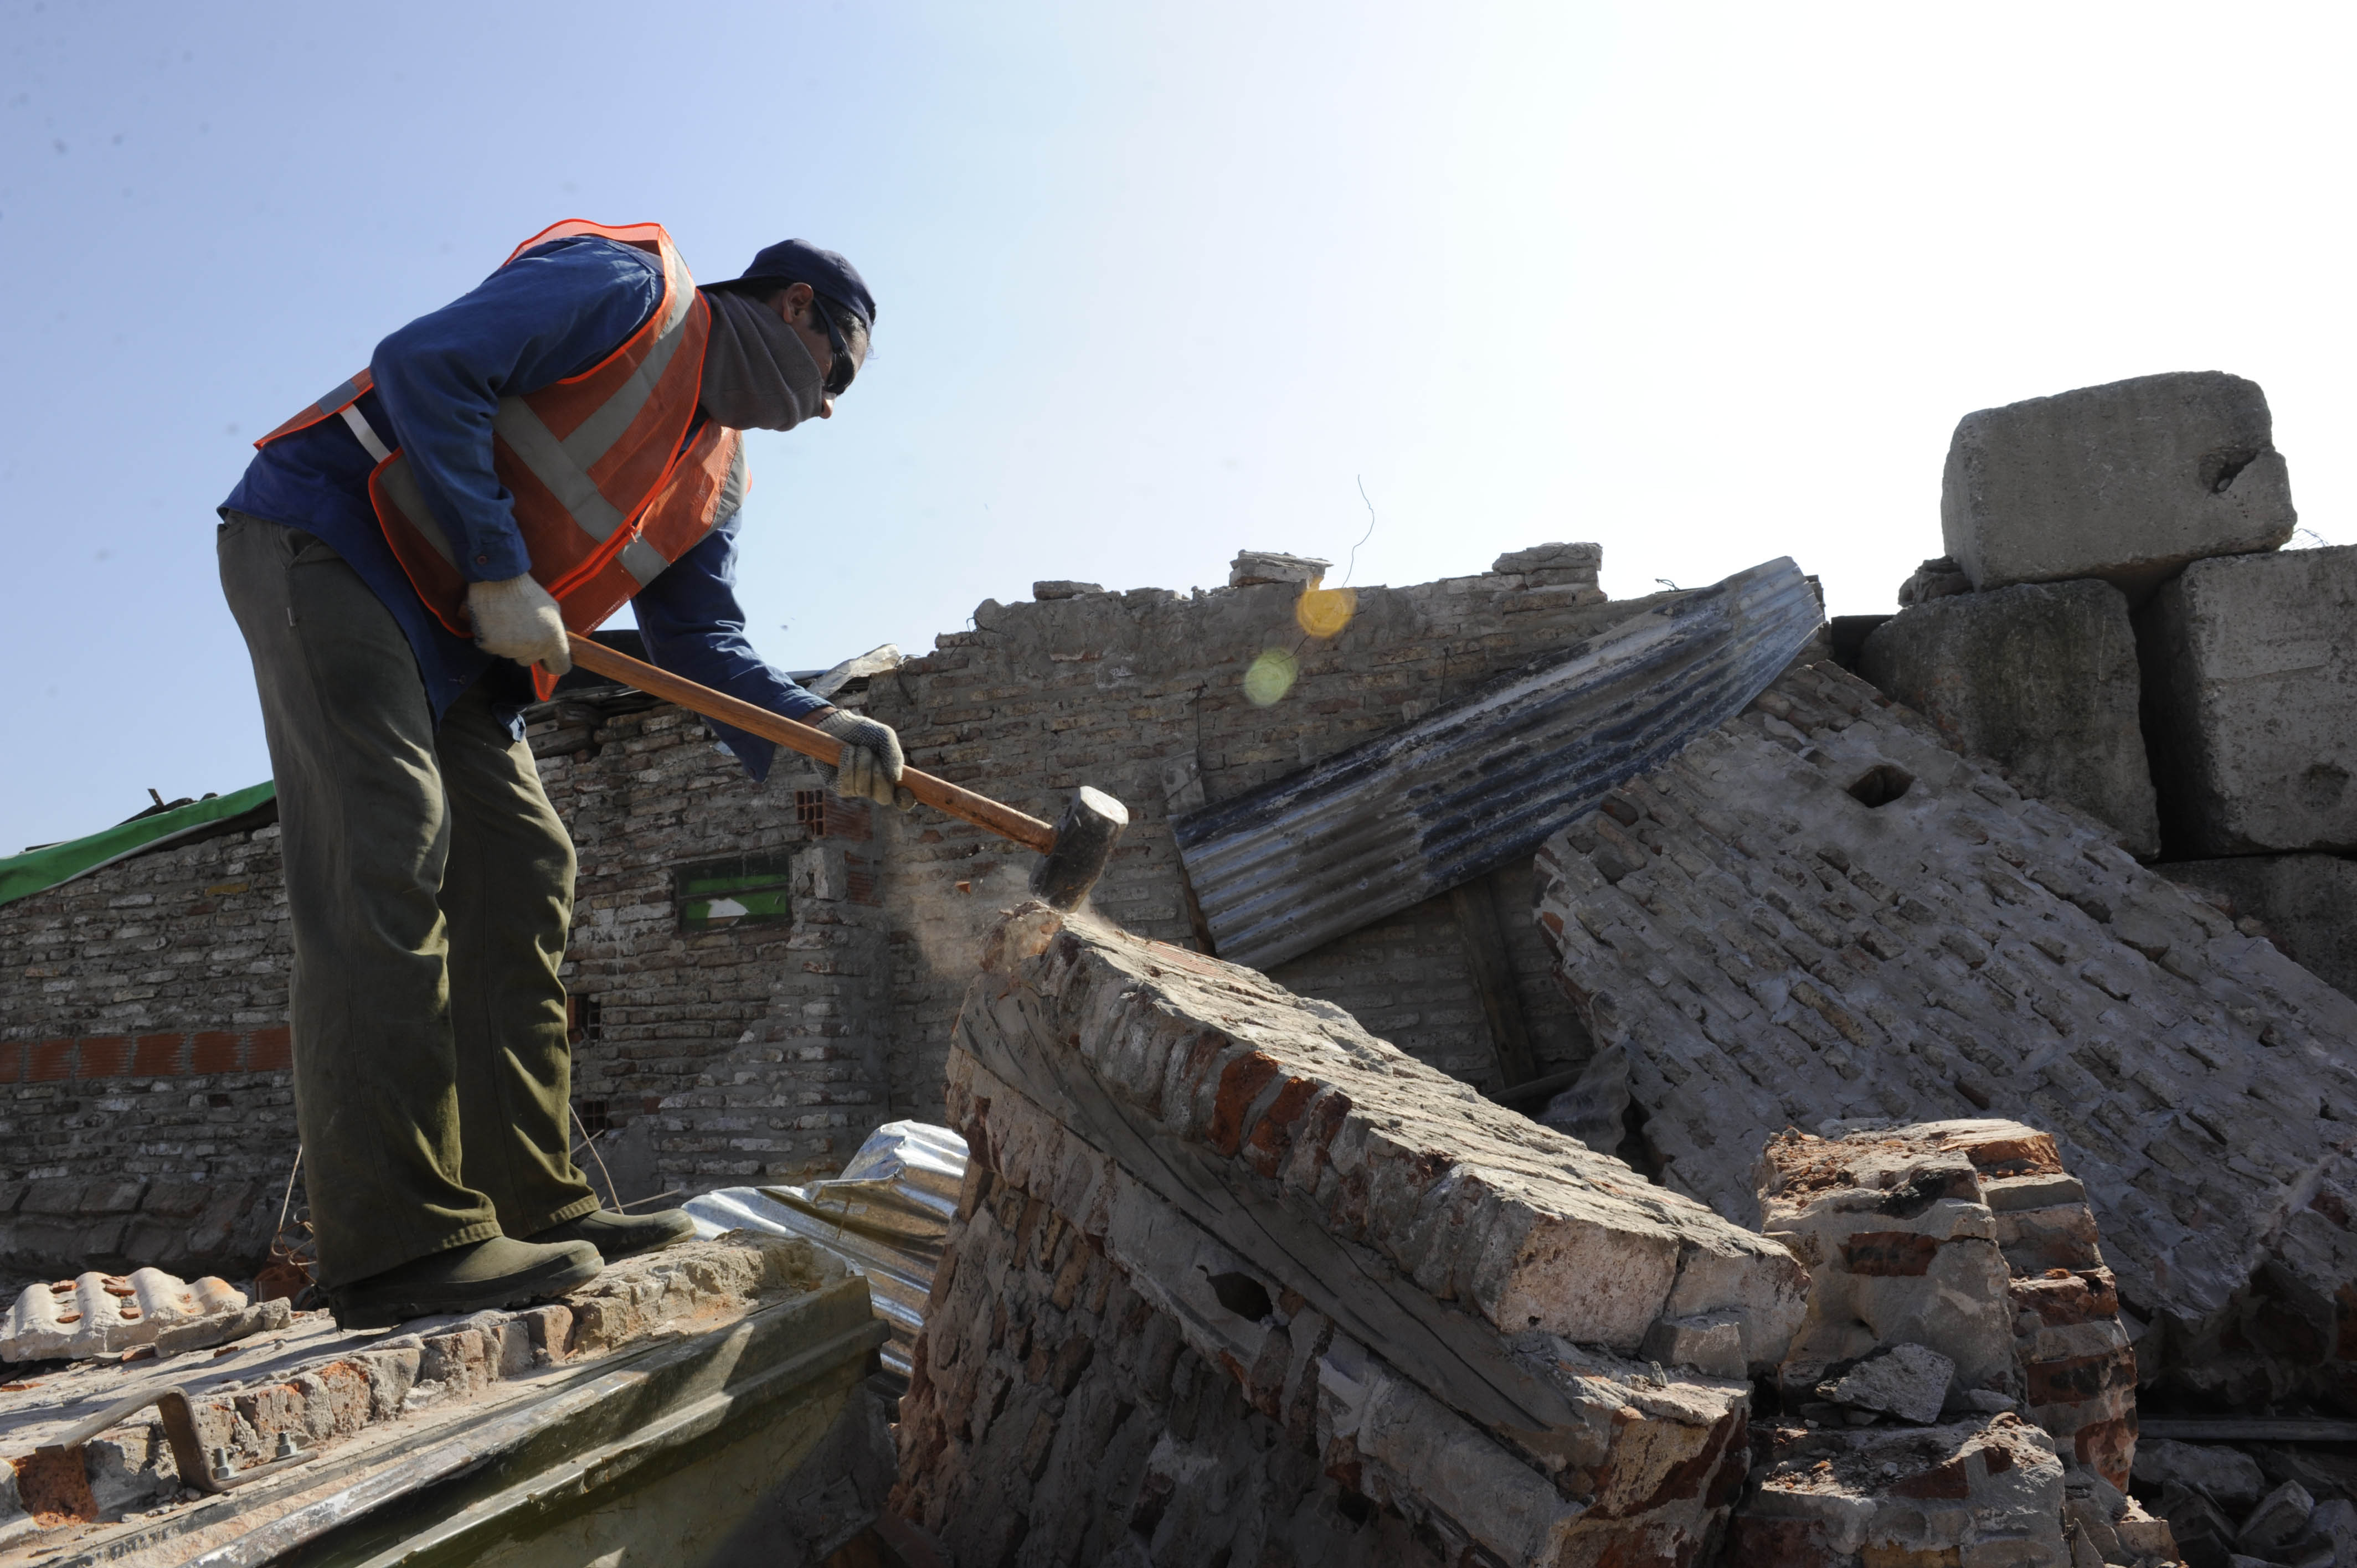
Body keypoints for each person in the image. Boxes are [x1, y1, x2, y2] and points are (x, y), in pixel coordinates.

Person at [217, 221, 909, 1327]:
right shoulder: (629, 287)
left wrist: (821, 723)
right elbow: (423, 363)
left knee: (527, 868)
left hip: (459, 642)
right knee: (386, 848)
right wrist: (498, 567)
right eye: (840, 375)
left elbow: (701, 648)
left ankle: (535, 1211)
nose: (828, 408)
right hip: (334, 543)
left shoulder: (716, 477)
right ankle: (399, 1246)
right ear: (793, 310)